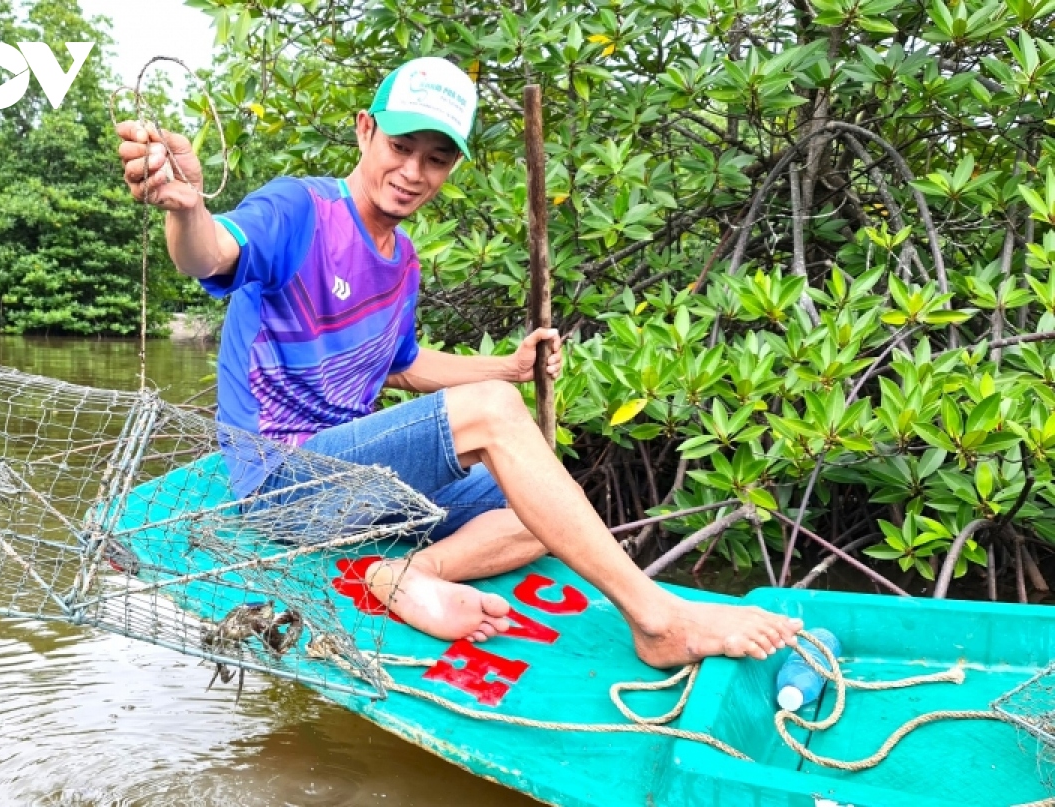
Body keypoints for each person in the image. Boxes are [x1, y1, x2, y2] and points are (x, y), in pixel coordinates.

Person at [116, 56, 801, 667]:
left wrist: (510, 367)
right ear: (364, 130)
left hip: (358, 493)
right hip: (282, 487)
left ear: (452, 168)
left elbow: (402, 366)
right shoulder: (301, 210)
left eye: (436, 159)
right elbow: (212, 253)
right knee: (501, 425)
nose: (413, 172)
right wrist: (186, 209)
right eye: (400, 146)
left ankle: (408, 572)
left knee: (548, 508)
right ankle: (657, 618)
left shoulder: (401, 262)